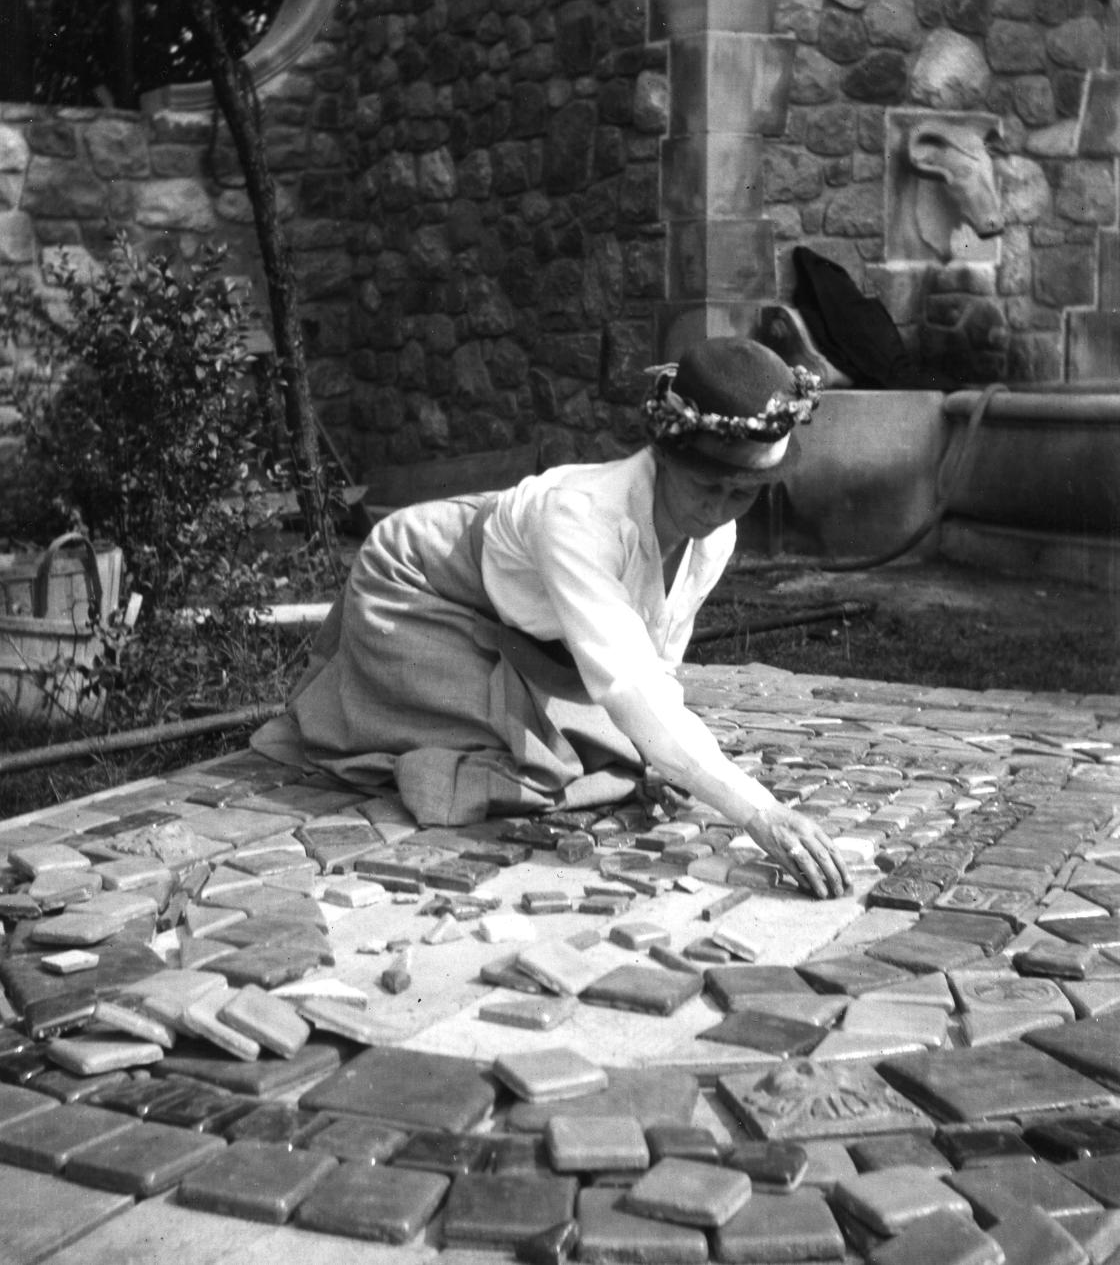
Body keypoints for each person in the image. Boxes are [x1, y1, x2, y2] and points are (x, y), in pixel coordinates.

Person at [252, 336, 851, 899]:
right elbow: (625, 680)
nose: (716, 510)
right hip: (415, 583)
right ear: (664, 457)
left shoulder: (715, 537)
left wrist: (662, 758)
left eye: (740, 494)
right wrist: (758, 811)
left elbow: (657, 657)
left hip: (514, 612)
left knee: (624, 750)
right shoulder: (583, 517)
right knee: (540, 766)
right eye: (704, 485)